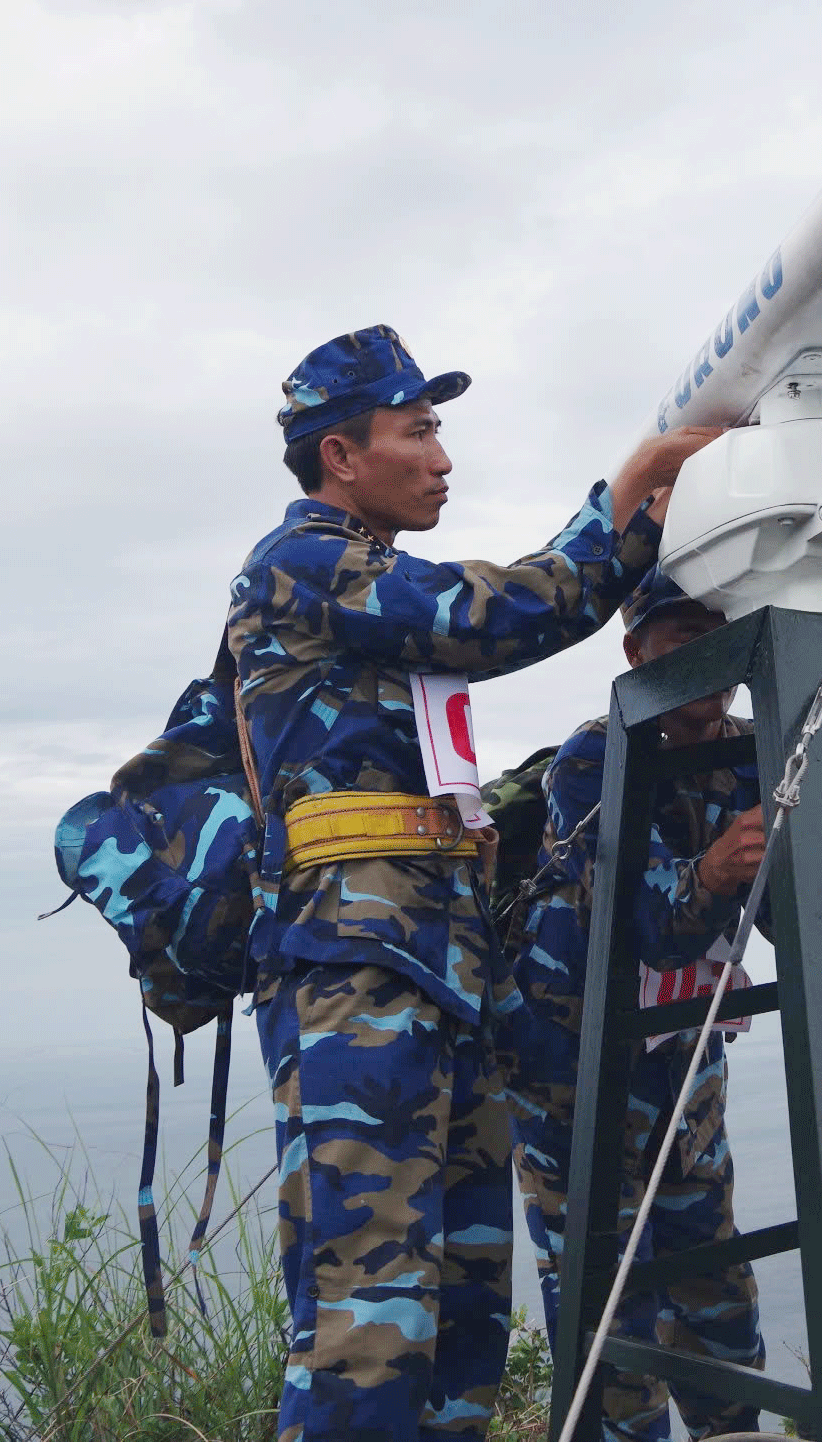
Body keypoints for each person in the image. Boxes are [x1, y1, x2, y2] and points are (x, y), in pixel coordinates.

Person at [228, 324, 719, 1442]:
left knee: (458, 1303)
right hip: (356, 972)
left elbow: (508, 614)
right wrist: (628, 488)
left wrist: (634, 532)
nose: (442, 456)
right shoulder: (302, 559)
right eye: (419, 430)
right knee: (369, 1309)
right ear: (341, 455)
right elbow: (492, 615)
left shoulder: (367, 582)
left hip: (435, 964)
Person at [498, 576, 769, 1442]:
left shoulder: (754, 751)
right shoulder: (594, 760)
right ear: (635, 652)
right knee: (610, 1330)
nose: (707, 659)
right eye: (683, 634)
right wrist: (719, 869)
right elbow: (654, 922)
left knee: (720, 1305)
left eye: (722, 635)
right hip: (576, 1084)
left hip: (685, 1078)